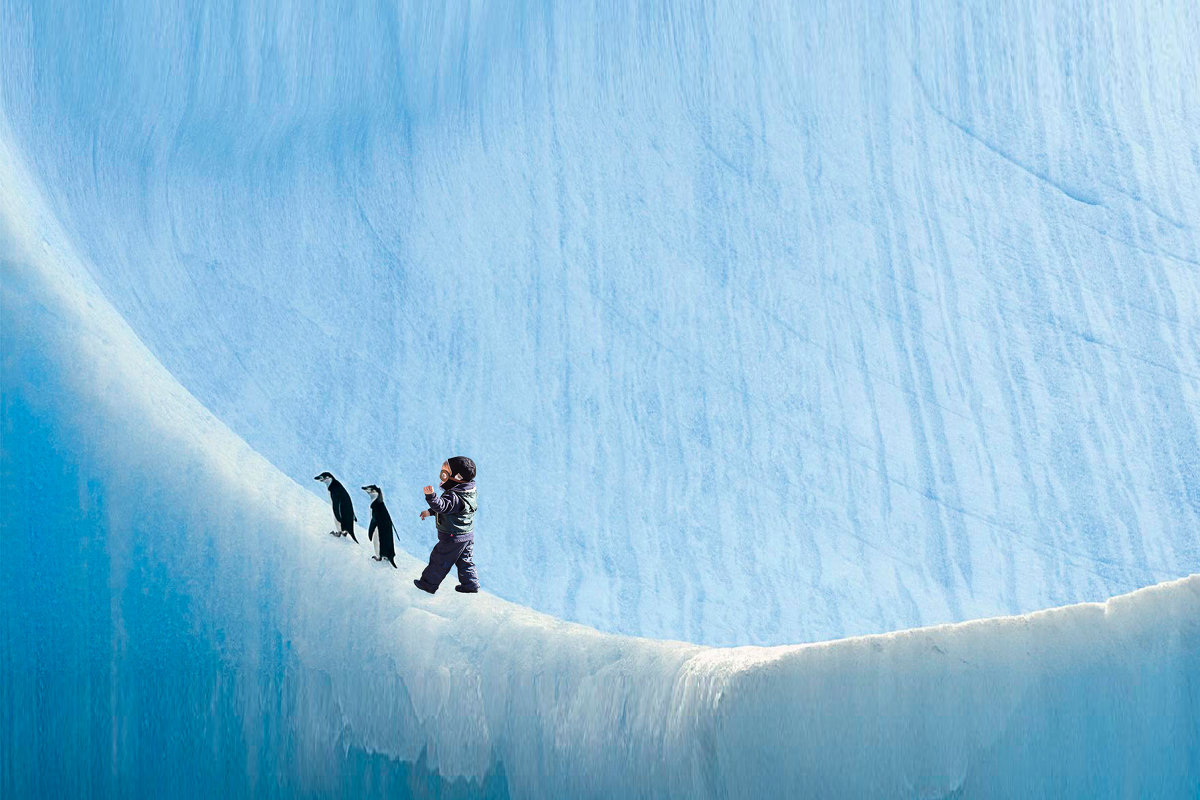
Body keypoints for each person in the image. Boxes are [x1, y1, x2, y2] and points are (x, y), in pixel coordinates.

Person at [413, 456, 480, 594]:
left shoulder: (454, 496)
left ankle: (428, 584)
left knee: (440, 559)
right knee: (465, 560)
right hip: (467, 534)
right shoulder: (469, 492)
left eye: (444, 474)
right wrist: (430, 512)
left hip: (452, 536)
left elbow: (442, 507)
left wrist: (431, 496)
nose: (442, 477)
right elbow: (452, 510)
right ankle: (471, 584)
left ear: (457, 477)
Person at [314, 472, 358, 542]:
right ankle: (344, 531)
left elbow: (336, 506)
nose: (323, 479)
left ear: (330, 478)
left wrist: (338, 516)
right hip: (348, 516)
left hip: (342, 518)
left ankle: (340, 532)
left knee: (337, 512)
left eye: (325, 478)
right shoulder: (338, 487)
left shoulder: (334, 491)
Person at [362, 484, 397, 568]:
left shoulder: (376, 507)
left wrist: (370, 533)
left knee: (377, 536)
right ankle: (387, 554)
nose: (369, 492)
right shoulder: (381, 507)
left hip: (380, 533)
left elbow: (374, 522)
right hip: (386, 536)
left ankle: (379, 556)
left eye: (372, 491)